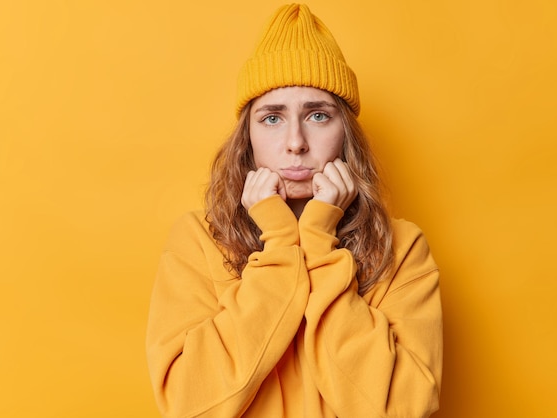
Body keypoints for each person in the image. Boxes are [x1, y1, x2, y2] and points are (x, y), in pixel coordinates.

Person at [146, 3, 442, 417]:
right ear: (246, 137)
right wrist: (281, 243)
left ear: (346, 135)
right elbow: (190, 406)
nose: (296, 142)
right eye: (271, 118)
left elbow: (400, 409)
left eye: (318, 115)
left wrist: (319, 242)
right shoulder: (197, 241)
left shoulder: (402, 247)